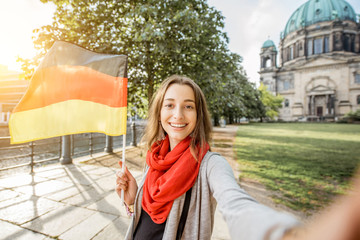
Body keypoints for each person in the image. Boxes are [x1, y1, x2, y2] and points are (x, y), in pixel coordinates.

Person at [116, 75, 360, 240]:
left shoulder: (211, 164)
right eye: (169, 105)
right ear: (159, 113)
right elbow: (145, 220)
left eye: (188, 106)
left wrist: (282, 234)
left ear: (198, 114)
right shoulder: (154, 157)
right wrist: (132, 201)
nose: (177, 114)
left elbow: (237, 204)